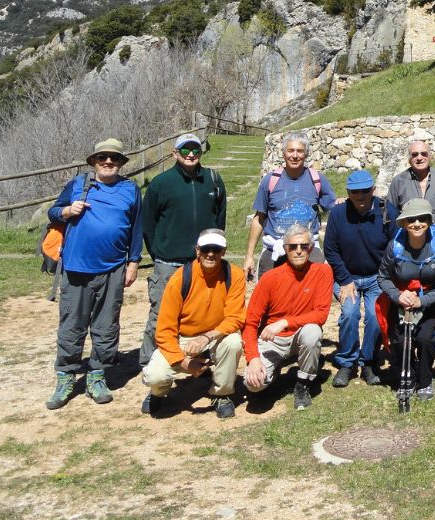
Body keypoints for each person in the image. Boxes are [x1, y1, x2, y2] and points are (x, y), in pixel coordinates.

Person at [46, 138, 143, 409]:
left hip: (113, 269)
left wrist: (133, 262)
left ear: (122, 163)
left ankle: (97, 374)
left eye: (114, 158)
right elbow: (52, 213)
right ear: (94, 162)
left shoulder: (130, 189)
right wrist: (66, 210)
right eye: (103, 158)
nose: (108, 162)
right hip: (77, 268)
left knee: (106, 326)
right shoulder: (77, 185)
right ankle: (65, 375)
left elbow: (136, 228)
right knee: (72, 326)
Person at [138, 132, 227, 412]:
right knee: (160, 317)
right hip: (170, 262)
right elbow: (148, 224)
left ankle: (209, 367)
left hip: (206, 263)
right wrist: (160, 254)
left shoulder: (212, 180)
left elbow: (219, 219)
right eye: (185, 150)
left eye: (195, 150)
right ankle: (156, 375)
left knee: (210, 313)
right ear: (174, 153)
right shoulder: (161, 184)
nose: (191, 154)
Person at [140, 229, 245, 419]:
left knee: (234, 342)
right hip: (183, 337)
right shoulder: (180, 279)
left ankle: (221, 394)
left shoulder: (234, 275)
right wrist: (185, 362)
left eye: (216, 249)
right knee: (156, 375)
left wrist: (207, 337)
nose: (210, 254)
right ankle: (157, 393)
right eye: (206, 248)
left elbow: (235, 317)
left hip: (215, 335)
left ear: (224, 251)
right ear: (197, 250)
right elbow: (164, 331)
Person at [242, 224, 333, 410]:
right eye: (292, 247)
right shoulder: (270, 278)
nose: (298, 251)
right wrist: (253, 358)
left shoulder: (322, 272)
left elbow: (321, 314)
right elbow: (250, 323)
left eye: (303, 246)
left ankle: (303, 384)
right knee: (253, 384)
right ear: (285, 249)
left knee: (313, 331)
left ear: (311, 248)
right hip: (272, 339)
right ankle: (271, 373)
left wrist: (284, 322)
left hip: (300, 333)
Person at [385, 140, 435, 364]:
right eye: (415, 154)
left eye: (423, 153)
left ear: (430, 156)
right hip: (410, 249)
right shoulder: (399, 182)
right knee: (411, 294)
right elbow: (390, 216)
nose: (419, 157)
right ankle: (412, 341)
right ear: (409, 158)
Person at [323, 169, 398, 388]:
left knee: (375, 317)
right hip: (348, 277)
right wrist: (345, 279)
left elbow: (395, 246)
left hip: (377, 276)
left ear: (373, 190)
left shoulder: (387, 212)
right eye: (356, 192)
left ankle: (369, 361)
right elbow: (331, 249)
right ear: (348, 193)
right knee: (349, 314)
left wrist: (385, 276)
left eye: (366, 191)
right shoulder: (338, 214)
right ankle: (347, 362)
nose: (361, 196)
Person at [376, 198, 435, 401]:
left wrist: (424, 301)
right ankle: (408, 377)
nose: (417, 223)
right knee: (401, 340)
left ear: (429, 221)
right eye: (411, 219)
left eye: (422, 218)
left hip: (429, 301)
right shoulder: (394, 246)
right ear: (404, 222)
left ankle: (425, 380)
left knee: (424, 338)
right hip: (401, 301)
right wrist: (397, 295)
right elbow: (383, 277)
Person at [243, 133, 337, 281]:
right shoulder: (270, 180)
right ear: (283, 153)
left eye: (299, 151)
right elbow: (259, 219)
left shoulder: (317, 180)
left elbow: (334, 212)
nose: (295, 155)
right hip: (274, 248)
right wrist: (249, 256)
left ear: (306, 154)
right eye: (290, 150)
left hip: (308, 249)